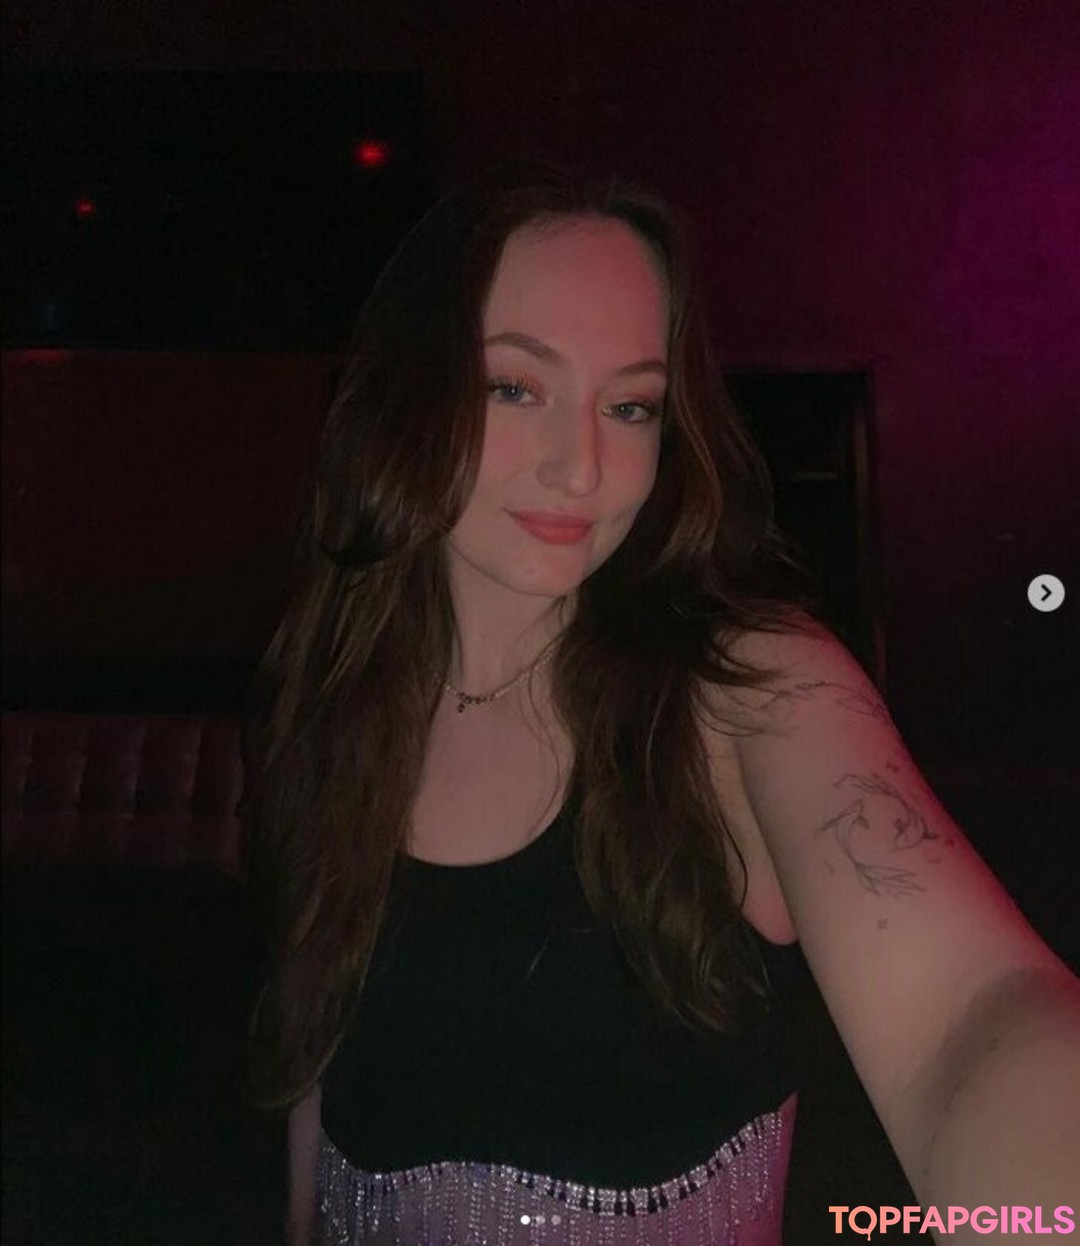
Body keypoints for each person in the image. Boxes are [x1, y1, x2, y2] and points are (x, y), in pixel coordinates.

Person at [245, 159, 1080, 1246]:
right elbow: (322, 1078)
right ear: (407, 392)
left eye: (631, 405)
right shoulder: (334, 693)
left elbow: (970, 1020)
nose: (582, 467)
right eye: (516, 387)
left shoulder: (750, 692)